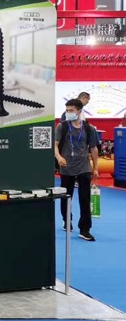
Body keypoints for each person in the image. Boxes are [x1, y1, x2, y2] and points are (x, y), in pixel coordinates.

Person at [55, 98, 99, 242]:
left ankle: (85, 229)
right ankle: (67, 220)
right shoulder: (62, 127)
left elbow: (93, 148)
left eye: (71, 110)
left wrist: (95, 168)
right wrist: (58, 157)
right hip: (66, 167)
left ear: (79, 111)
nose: (68, 113)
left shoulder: (89, 128)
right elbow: (55, 145)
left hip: (84, 167)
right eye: (66, 110)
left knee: (85, 198)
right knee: (66, 197)